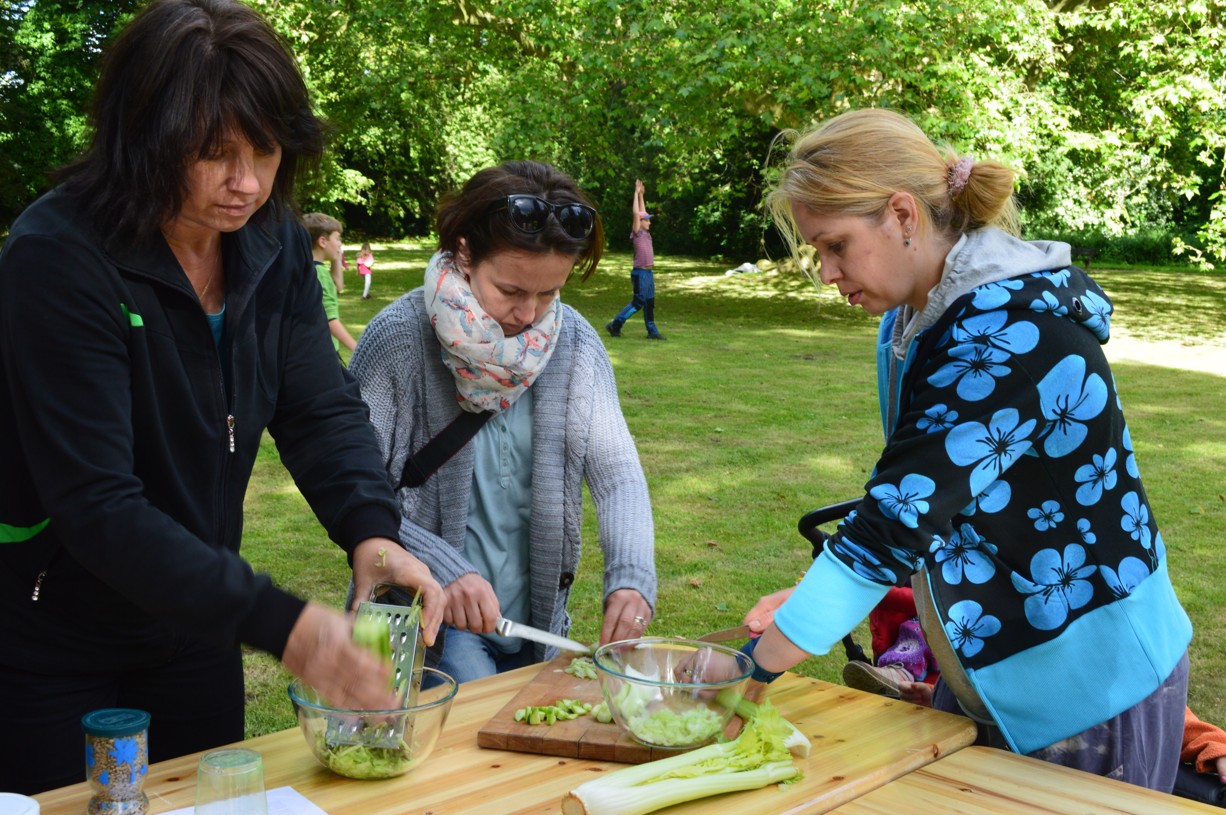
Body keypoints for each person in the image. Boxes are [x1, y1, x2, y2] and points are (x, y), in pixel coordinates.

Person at [0, 0, 443, 795]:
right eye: (213, 155)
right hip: (49, 634)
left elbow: (319, 409)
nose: (247, 183)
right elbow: (97, 504)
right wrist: (288, 626)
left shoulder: (273, 246)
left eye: (266, 151)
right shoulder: (57, 258)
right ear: (143, 139)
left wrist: (371, 531)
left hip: (194, 625)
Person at [734, 108, 1191, 791]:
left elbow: (897, 520)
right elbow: (939, 497)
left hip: (1089, 687)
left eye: (835, 245)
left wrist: (746, 673)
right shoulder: (918, 320)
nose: (826, 272)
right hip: (996, 666)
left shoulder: (1010, 336)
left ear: (902, 215)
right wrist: (816, 598)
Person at [350, 160, 657, 683]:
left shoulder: (574, 343)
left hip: (532, 624)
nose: (529, 314)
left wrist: (630, 578)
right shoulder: (398, 338)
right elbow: (356, 493)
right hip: (420, 624)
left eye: (549, 292)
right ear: (465, 253)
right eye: (512, 291)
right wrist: (445, 568)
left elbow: (618, 474)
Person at [605, 178, 665, 340]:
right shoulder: (637, 232)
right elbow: (636, 213)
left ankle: (652, 331)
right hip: (640, 273)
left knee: (649, 302)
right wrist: (635, 193)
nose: (649, 222)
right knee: (638, 303)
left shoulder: (646, 233)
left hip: (648, 273)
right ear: (641, 222)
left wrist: (641, 195)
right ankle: (615, 325)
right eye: (647, 220)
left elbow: (642, 211)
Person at [304, 212, 357, 354]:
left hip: (311, 348)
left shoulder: (309, 269)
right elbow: (329, 319)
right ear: (323, 241)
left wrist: (336, 260)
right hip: (323, 351)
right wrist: (356, 348)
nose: (340, 244)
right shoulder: (320, 274)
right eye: (337, 239)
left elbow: (338, 286)